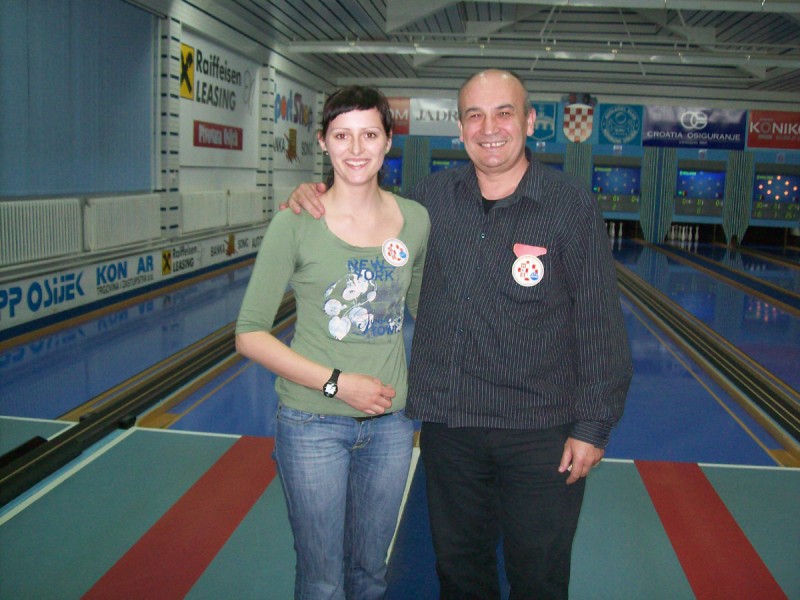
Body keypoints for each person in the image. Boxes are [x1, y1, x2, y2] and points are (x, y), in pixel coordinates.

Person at [284, 69, 632, 599]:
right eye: (475, 115)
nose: (489, 128)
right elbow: (363, 220)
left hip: (540, 432)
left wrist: (593, 427)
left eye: (503, 113)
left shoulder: (569, 204)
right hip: (452, 428)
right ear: (461, 127)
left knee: (539, 577)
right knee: (460, 572)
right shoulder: (429, 201)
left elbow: (599, 323)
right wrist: (314, 196)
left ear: (530, 122)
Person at [236, 85, 430, 600]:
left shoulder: (415, 220)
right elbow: (249, 334)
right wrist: (338, 384)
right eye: (342, 136)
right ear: (323, 142)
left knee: (370, 573)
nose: (357, 148)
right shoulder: (295, 221)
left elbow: (428, 309)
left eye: (370, 134)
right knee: (322, 580)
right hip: (312, 424)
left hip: (390, 424)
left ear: (388, 141)